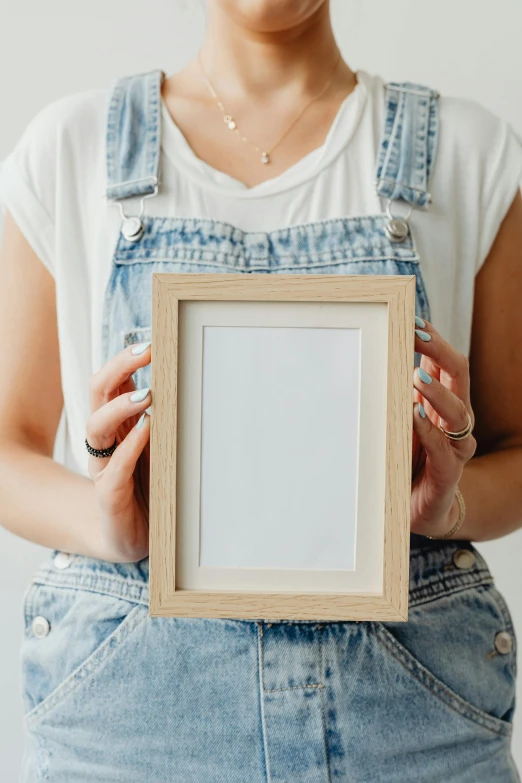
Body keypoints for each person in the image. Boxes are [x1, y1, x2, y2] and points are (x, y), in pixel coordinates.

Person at [0, 1, 521, 780]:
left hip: (412, 722)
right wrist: (105, 522)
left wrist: (447, 505)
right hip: (129, 729)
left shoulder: (468, 154)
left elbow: (514, 452)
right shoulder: (70, 150)